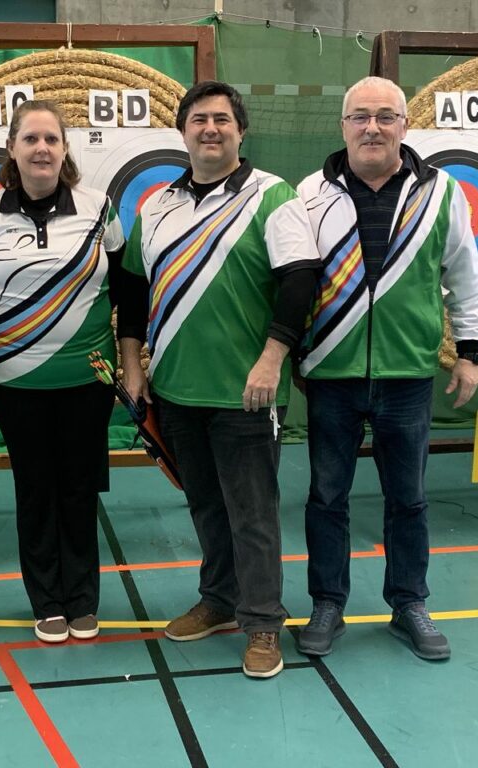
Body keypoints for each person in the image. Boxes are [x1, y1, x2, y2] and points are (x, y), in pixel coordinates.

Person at [117, 81, 320, 679]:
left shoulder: (272, 195)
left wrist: (272, 358)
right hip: (176, 389)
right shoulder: (157, 206)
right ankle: (219, 600)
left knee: (252, 513)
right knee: (206, 504)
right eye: (199, 119)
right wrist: (134, 368)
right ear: (182, 131)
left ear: (241, 130)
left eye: (222, 119)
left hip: (246, 391)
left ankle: (262, 622)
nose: (211, 129)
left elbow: (301, 281)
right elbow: (131, 291)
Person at [295, 76, 478, 660]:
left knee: (409, 497)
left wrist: (470, 353)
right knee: (327, 497)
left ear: (405, 125)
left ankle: (409, 603)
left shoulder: (442, 192)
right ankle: (328, 603)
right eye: (360, 116)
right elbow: (293, 280)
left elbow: (465, 275)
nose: (372, 128)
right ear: (343, 126)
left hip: (407, 374)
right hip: (332, 374)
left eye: (385, 116)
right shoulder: (310, 193)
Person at [0, 100, 128, 644]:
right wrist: (15, 333)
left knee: (78, 489)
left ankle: (82, 599)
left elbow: (126, 285)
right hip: (15, 381)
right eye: (30, 138)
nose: (41, 148)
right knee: (34, 488)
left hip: (87, 378)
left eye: (51, 139)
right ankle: (47, 602)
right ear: (11, 148)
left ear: (64, 148)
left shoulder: (99, 208)